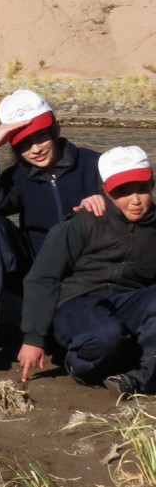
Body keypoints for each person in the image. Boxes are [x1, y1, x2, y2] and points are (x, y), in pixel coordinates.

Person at [0, 90, 104, 367]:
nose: (35, 149)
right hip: (35, 271)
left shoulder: (95, 164)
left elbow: (135, 207)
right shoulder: (18, 175)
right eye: (24, 144)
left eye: (41, 136)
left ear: (56, 127)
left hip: (86, 273)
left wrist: (104, 204)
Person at [18, 146, 156, 398]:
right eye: (123, 192)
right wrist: (33, 338)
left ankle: (135, 378)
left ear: (152, 185)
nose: (135, 200)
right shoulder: (83, 221)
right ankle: (81, 365)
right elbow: (43, 278)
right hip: (78, 304)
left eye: (142, 189)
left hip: (129, 305)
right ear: (106, 191)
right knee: (106, 337)